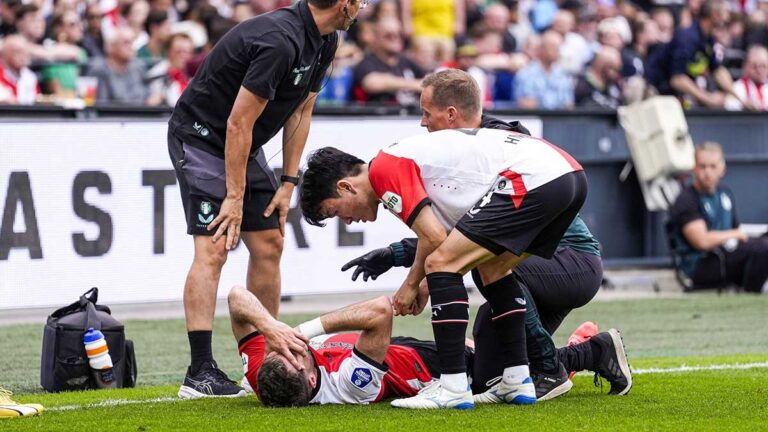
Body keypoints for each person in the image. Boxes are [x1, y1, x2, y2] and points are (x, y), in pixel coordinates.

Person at [340, 69, 609, 402]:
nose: (422, 124)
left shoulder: (474, 145)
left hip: (568, 258)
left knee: (468, 263)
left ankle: (528, 369)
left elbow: (447, 240)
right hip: (566, 188)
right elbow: (460, 232)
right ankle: (522, 377)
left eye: (426, 114)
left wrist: (416, 280)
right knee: (486, 367)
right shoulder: (466, 148)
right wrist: (398, 256)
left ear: (451, 114)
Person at [299, 117, 588, 410]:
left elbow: (435, 239)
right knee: (493, 267)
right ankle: (517, 379)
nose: (347, 221)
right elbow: (446, 237)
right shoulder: (400, 160)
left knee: (441, 264)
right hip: (569, 174)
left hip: (535, 176)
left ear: (346, 186)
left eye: (335, 212)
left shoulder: (384, 169)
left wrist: (412, 285)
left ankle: (452, 386)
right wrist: (421, 282)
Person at [167, 0, 356, 399]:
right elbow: (238, 121)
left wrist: (289, 181)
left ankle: (267, 355)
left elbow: (302, 111)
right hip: (202, 138)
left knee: (269, 243)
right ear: (344, 4)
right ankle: (199, 372)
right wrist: (233, 196)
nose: (364, 7)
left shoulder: (327, 40)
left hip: (243, 145)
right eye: (361, 1)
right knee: (214, 247)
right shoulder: (279, 41)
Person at [229, 286, 632, 407]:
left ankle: (576, 346)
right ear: (310, 374)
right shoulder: (352, 383)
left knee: (510, 341)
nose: (286, 346)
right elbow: (379, 312)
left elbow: (235, 298)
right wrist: (303, 327)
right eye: (291, 353)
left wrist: (270, 325)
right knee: (498, 322)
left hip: (410, 351)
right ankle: (593, 350)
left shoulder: (266, 373)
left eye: (279, 348)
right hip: (448, 371)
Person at [669, 142, 768, 293]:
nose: (707, 172)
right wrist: (734, 234)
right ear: (694, 169)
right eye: (702, 166)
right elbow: (701, 241)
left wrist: (740, 235)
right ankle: (751, 293)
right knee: (763, 249)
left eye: (713, 166)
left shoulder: (725, 194)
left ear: (722, 169)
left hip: (729, 253)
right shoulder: (687, 199)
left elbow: (736, 231)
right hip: (703, 263)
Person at [725, 45, 768, 110]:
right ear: (745, 67)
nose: (759, 70)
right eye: (754, 66)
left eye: (763, 66)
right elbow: (729, 105)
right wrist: (744, 105)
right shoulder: (737, 88)